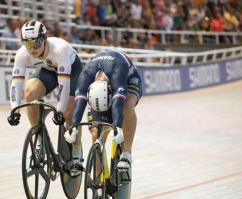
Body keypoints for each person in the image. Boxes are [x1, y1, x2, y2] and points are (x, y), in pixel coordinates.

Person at [7, 20, 84, 175]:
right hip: (48, 70)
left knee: (69, 112)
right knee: (30, 93)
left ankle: (76, 151)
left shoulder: (59, 49)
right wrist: (14, 109)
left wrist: (60, 111)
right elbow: (16, 84)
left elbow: (63, 85)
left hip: (72, 71)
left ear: (44, 40)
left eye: (35, 44)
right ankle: (39, 138)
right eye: (27, 45)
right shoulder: (22, 53)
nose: (32, 49)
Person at [64, 50, 142, 172]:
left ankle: (126, 154)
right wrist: (73, 126)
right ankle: (99, 182)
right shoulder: (86, 75)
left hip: (128, 78)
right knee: (95, 133)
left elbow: (117, 102)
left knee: (127, 104)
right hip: (103, 86)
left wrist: (117, 127)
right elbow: (79, 104)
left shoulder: (118, 70)